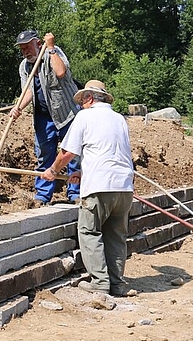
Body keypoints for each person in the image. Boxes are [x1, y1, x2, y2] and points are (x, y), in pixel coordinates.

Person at [41, 80, 134, 296]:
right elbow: (113, 153)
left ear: (89, 98)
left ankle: (100, 284)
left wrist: (53, 171)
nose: (80, 105)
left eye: (82, 101)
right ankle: (117, 284)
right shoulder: (119, 119)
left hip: (99, 187)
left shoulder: (85, 116)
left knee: (89, 232)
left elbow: (67, 153)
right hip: (123, 187)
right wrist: (83, 173)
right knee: (116, 235)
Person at [9, 30, 81, 205]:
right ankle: (42, 195)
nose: (26, 52)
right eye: (22, 49)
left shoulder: (53, 52)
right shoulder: (24, 67)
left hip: (67, 113)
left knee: (72, 154)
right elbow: (28, 92)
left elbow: (61, 72)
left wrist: (50, 48)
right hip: (43, 117)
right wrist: (18, 107)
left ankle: (75, 193)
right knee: (44, 154)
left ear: (37, 44)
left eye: (28, 47)